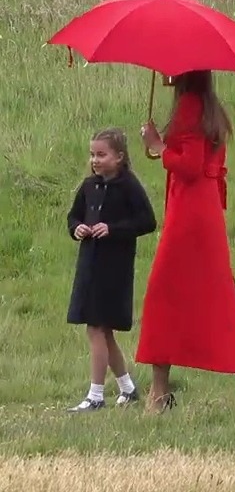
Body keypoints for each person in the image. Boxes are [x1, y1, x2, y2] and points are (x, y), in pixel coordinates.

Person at [137, 70, 235, 412]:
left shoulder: (189, 105)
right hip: (204, 210)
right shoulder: (209, 106)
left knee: (163, 293)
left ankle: (159, 392)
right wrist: (162, 147)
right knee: (216, 295)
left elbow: (190, 165)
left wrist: (158, 146)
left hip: (189, 213)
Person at [66, 128, 157, 412]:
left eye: (102, 154)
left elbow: (147, 221)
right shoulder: (88, 186)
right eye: (93, 154)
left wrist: (113, 229)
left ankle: (95, 395)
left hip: (114, 269)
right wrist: (76, 228)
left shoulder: (129, 186)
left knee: (96, 328)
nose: (95, 160)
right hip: (89, 265)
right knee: (102, 332)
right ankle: (128, 389)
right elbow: (74, 215)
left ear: (119, 157)